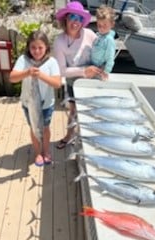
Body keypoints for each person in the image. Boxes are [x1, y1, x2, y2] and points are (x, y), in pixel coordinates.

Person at [53, 1, 103, 149]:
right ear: (66, 19)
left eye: (80, 18)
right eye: (73, 17)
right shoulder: (59, 41)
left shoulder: (90, 34)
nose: (76, 22)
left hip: (92, 79)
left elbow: (101, 54)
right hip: (73, 82)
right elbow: (61, 71)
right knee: (74, 110)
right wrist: (83, 71)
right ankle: (69, 136)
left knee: (94, 109)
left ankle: (92, 138)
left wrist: (104, 65)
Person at [9, 30, 61, 166]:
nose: (37, 51)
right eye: (33, 47)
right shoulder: (23, 60)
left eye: (40, 48)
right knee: (34, 127)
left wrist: (40, 75)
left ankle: (46, 151)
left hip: (46, 104)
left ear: (46, 48)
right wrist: (27, 72)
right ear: (28, 47)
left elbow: (57, 83)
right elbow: (12, 78)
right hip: (29, 104)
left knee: (45, 128)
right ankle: (38, 153)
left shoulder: (52, 62)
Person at [91, 5, 116, 80]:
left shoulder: (109, 40)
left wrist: (106, 71)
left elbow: (110, 58)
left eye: (105, 25)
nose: (101, 28)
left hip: (100, 69)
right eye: (99, 25)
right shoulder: (98, 35)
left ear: (111, 24)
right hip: (93, 66)